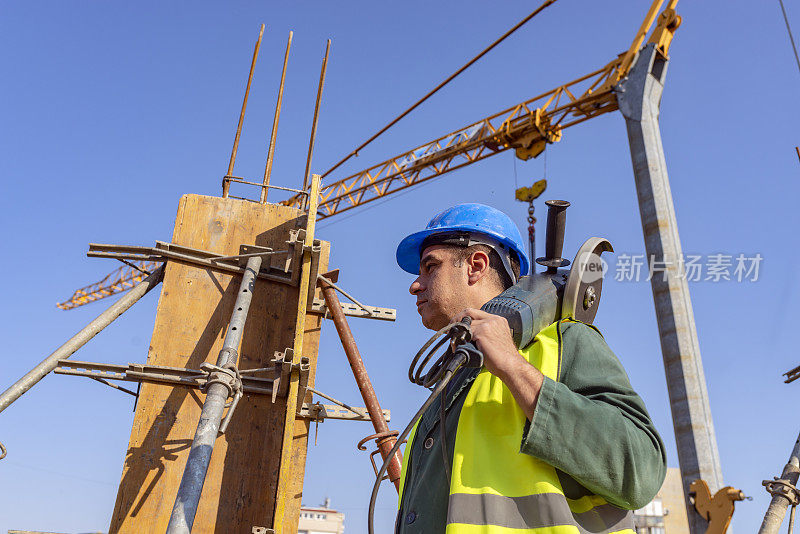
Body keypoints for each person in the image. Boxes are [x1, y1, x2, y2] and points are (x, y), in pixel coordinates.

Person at [394, 203, 666, 534]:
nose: (415, 284)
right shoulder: (451, 381)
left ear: (476, 265)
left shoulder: (564, 342)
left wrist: (511, 365)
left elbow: (640, 471)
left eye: (429, 267)